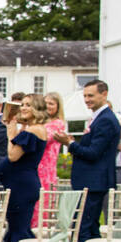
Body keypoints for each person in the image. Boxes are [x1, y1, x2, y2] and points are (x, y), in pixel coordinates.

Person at [54, 80, 121, 242]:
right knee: (91, 228)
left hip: (94, 182)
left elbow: (93, 153)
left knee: (83, 228)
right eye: (85, 96)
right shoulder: (99, 118)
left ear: (104, 94)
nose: (87, 100)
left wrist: (70, 144)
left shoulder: (106, 120)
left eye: (91, 96)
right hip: (92, 181)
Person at [0, 95, 48, 242]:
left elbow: (13, 156)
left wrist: (10, 135)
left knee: (20, 232)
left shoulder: (33, 131)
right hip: (21, 185)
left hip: (22, 187)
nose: (24, 108)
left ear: (38, 109)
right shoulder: (31, 129)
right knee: (18, 229)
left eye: (29, 105)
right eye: (23, 104)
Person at [32, 92, 68, 227]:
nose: (48, 106)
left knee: (42, 210)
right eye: (45, 103)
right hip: (36, 168)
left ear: (58, 107)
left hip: (45, 171)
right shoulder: (40, 123)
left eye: (51, 103)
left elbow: (42, 139)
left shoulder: (57, 123)